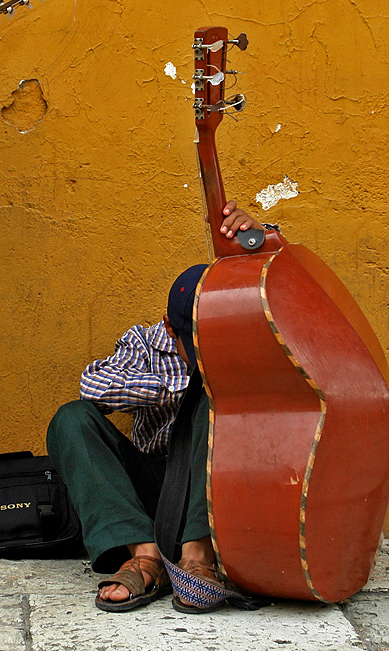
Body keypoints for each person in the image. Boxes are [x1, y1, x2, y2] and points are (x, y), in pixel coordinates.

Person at [46, 202, 260, 614]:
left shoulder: (242, 337)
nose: (202, 356)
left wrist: (259, 242)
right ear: (168, 325)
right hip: (155, 490)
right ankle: (145, 557)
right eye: (192, 346)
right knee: (70, 419)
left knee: (210, 395)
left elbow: (288, 289)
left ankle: (198, 557)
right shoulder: (145, 343)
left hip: (215, 491)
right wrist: (177, 385)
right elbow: (92, 384)